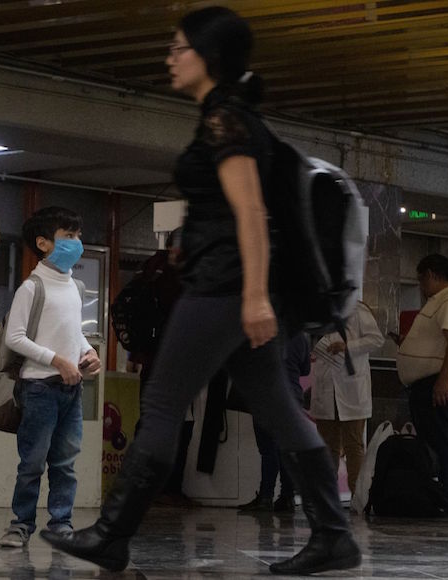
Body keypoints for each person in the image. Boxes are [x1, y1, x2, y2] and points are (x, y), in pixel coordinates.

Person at [43, 7, 360, 575]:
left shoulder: (226, 120)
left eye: (178, 48)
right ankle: (334, 536)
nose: (170, 58)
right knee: (279, 409)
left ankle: (113, 535)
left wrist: (254, 295)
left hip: (224, 287)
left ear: (208, 56)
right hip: (233, 283)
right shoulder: (231, 116)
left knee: (163, 403)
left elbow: (251, 213)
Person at [0, 207, 102, 548]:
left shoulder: (75, 286)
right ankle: (20, 525)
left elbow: (73, 331)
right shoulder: (32, 287)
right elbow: (15, 338)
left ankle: (61, 524)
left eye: (77, 236)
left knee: (65, 463)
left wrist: (88, 352)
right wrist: (57, 360)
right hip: (39, 388)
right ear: (43, 244)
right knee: (32, 462)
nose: (77, 243)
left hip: (70, 389)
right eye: (68, 236)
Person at [396, 254, 448, 512]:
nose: (421, 286)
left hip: (439, 382)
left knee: (440, 443)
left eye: (421, 280)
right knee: (433, 441)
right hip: (428, 382)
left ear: (431, 274)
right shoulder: (441, 301)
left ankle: (445, 500)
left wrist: (443, 382)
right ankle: (435, 497)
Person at [127, 228, 191, 505]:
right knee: (176, 425)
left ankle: (140, 486)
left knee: (151, 422)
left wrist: (134, 354)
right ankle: (167, 488)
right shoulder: (176, 277)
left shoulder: (150, 270)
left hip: (151, 359)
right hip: (174, 361)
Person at [311, 302, 384, 497]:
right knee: (327, 447)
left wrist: (348, 346)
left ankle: (357, 497)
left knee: (353, 446)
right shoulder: (317, 311)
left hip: (351, 388)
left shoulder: (357, 310)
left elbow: (376, 339)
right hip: (326, 387)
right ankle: (327, 496)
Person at [238, 332, 309, 512]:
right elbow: (305, 369)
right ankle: (287, 497)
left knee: (268, 450)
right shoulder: (300, 336)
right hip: (292, 398)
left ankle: (265, 497)